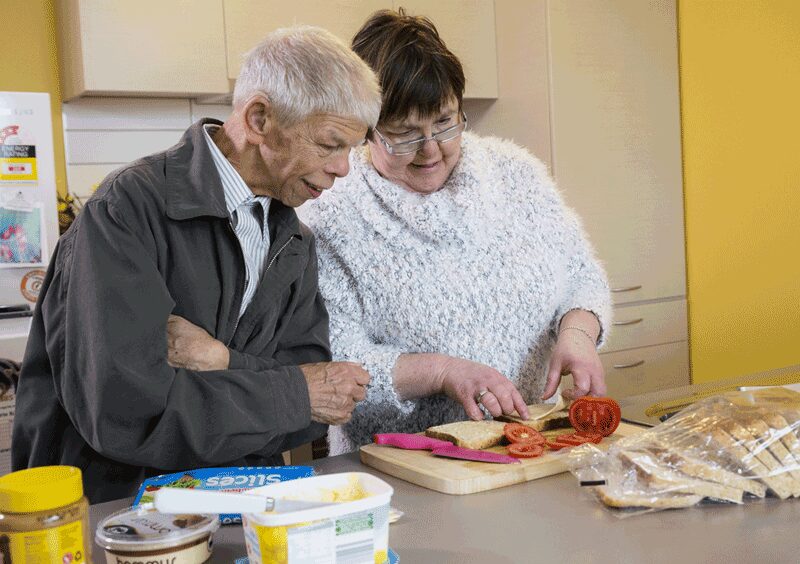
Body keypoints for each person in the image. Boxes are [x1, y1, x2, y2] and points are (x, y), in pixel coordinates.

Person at [12, 26, 381, 503]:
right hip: (120, 519)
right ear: (259, 118)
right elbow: (127, 413)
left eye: (352, 149)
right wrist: (289, 393)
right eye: (331, 144)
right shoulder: (125, 212)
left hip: (244, 508)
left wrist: (222, 362)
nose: (344, 168)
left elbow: (316, 401)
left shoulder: (294, 238)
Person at [301, 10, 612, 455]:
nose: (431, 149)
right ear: (365, 132)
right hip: (402, 465)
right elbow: (337, 366)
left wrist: (578, 336)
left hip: (532, 446)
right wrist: (442, 372)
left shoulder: (516, 174)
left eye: (445, 122)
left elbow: (582, 277)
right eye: (405, 135)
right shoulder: (331, 217)